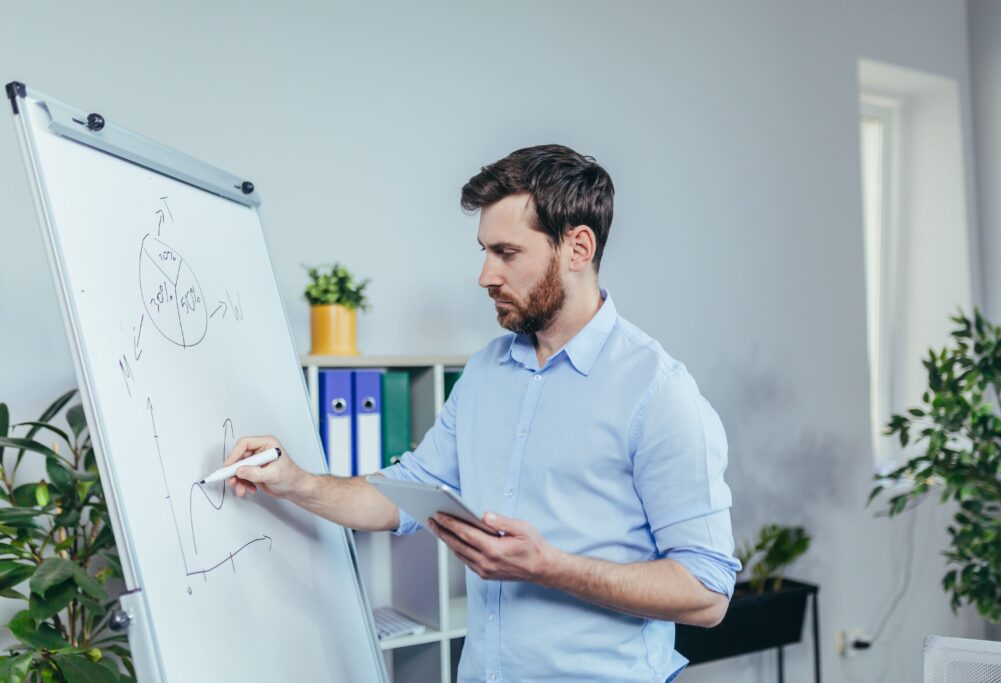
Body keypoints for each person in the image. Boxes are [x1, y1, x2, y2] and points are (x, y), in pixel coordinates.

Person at [224, 144, 741, 682]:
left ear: (578, 247)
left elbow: (707, 594)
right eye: (484, 252)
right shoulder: (484, 373)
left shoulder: (657, 391)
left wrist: (549, 568)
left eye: (507, 253)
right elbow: (405, 493)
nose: (485, 276)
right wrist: (294, 481)